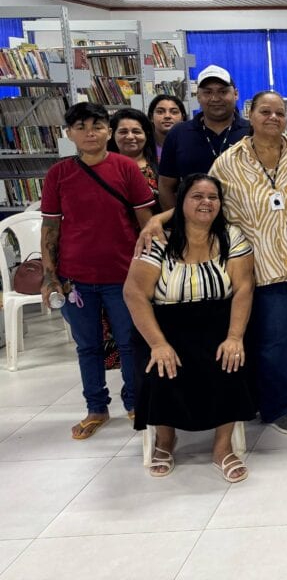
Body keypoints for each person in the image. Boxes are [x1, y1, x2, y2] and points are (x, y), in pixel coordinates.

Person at [205, 91, 287, 434]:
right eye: (265, 111)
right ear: (250, 113)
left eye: (280, 112)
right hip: (262, 267)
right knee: (272, 341)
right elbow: (207, 204)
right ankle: (276, 405)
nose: (273, 117)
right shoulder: (228, 162)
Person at [123, 174, 256, 481]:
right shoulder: (157, 239)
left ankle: (222, 447)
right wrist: (158, 343)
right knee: (161, 367)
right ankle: (166, 440)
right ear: (180, 202)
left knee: (230, 361)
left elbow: (244, 288)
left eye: (212, 197)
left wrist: (235, 336)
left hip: (217, 322)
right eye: (197, 196)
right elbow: (134, 293)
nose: (205, 203)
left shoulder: (231, 237)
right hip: (164, 325)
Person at [40, 102, 156, 440]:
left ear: (108, 130)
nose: (89, 132)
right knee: (87, 346)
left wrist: (149, 268)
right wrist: (51, 277)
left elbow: (145, 223)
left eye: (96, 125)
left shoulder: (125, 168)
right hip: (75, 278)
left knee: (130, 343)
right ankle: (96, 407)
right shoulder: (58, 175)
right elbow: (50, 229)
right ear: (69, 133)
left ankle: (135, 403)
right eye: (80, 127)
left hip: (124, 275)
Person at [158, 65, 249, 210]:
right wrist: (178, 223)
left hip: (245, 221)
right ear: (198, 96)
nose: (215, 98)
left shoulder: (252, 132)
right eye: (207, 92)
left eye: (223, 91)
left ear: (236, 94)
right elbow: (165, 186)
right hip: (195, 222)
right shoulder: (179, 133)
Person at [109, 108, 160, 200]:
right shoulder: (104, 167)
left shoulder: (162, 165)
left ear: (146, 134)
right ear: (112, 135)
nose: (130, 137)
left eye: (136, 131)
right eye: (123, 132)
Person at [147, 94, 186, 162]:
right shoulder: (143, 146)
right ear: (151, 117)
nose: (167, 116)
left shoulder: (192, 144)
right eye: (160, 112)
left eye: (174, 112)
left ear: (182, 117)